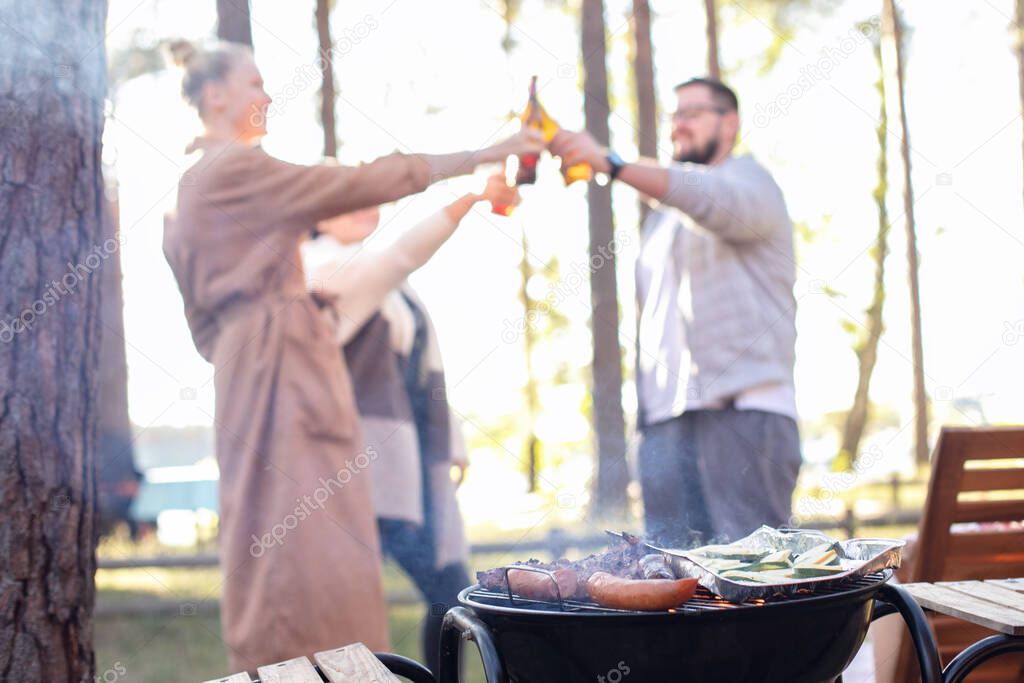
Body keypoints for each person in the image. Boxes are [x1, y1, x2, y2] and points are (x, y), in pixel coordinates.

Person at [162, 38, 542, 673]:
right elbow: (358, 182)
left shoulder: (191, 193)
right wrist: (485, 153)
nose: (265, 96)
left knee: (292, 553)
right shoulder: (230, 170)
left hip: (256, 370)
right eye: (253, 83)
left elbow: (201, 323)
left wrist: (247, 340)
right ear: (215, 96)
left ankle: (322, 667)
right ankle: (327, 670)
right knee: (307, 558)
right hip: (282, 375)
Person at [550, 77, 801, 546]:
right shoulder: (662, 221)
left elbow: (704, 197)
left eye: (693, 112)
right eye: (674, 114)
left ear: (731, 123)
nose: (678, 125)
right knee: (670, 581)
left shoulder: (753, 183)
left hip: (741, 415)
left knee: (755, 583)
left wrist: (611, 162)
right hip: (666, 427)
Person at [301, 171, 517, 673]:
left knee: (451, 588)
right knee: (391, 594)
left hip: (410, 455)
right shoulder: (318, 266)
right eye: (346, 196)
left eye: (367, 194)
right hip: (359, 461)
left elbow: (424, 369)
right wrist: (470, 195)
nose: (364, 204)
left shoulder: (387, 278)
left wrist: (451, 442)